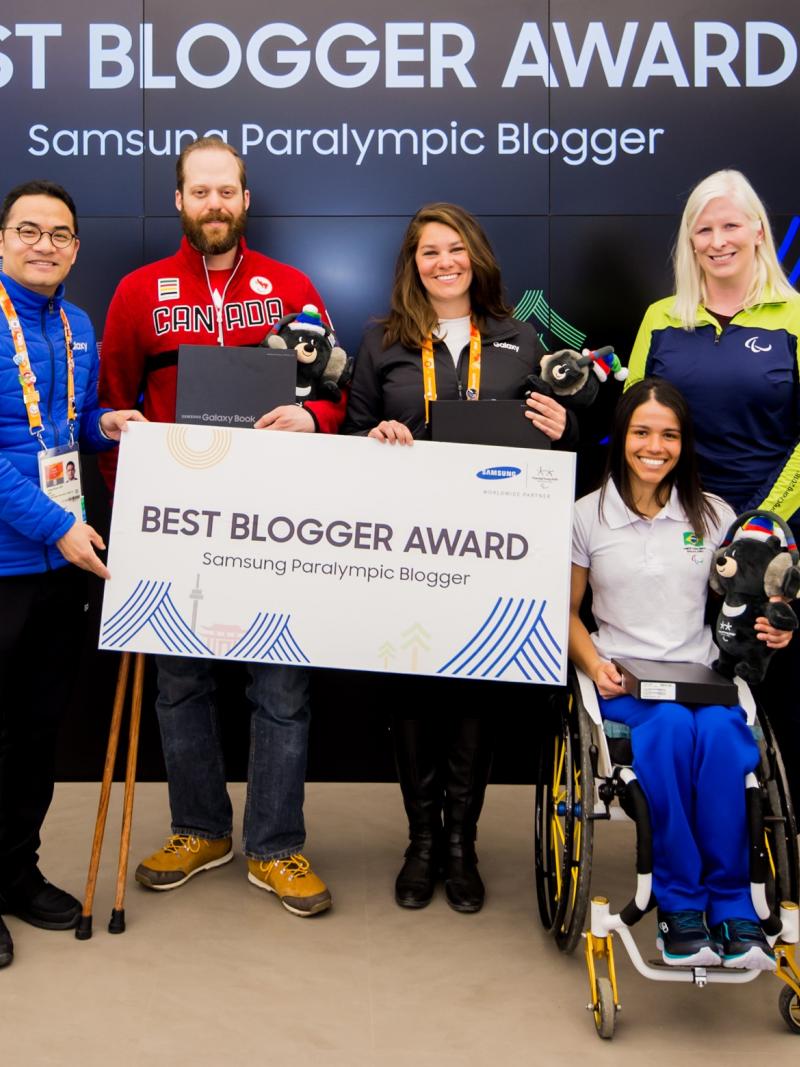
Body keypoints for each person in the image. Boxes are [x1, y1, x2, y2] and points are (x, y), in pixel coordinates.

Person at [98, 137, 345, 917]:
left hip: (277, 522)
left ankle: (275, 845)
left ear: (245, 199)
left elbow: (335, 394)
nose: (213, 203)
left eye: (226, 191)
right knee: (180, 682)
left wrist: (314, 415)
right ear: (179, 201)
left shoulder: (290, 286)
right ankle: (200, 827)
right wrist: (121, 462)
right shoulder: (140, 291)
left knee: (281, 684)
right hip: (173, 522)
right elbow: (107, 406)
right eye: (198, 191)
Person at [343, 202, 574, 912]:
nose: (443, 262)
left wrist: (564, 426)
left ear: (475, 256)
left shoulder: (517, 336)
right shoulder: (381, 339)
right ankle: (419, 843)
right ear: (411, 264)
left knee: (476, 689)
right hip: (406, 545)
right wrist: (375, 435)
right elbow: (348, 442)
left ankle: (459, 846)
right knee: (412, 690)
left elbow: (551, 446)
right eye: (428, 252)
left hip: (493, 547)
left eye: (455, 249)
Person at [570, 376, 792, 970]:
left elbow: (747, 601)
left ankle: (734, 905)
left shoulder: (715, 513)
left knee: (721, 739)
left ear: (683, 443)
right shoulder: (587, 516)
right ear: (621, 438)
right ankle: (680, 904)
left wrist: (774, 627)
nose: (654, 446)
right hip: (624, 680)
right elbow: (565, 612)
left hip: (702, 676)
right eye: (642, 432)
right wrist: (595, 663)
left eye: (669, 435)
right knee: (668, 731)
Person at [0, 180, 143, 968]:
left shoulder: (77, 323)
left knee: (37, 731)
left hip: (64, 565)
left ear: (76, 248)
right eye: (28, 230)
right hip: (15, 557)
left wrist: (105, 423)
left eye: (59, 234)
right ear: (3, 239)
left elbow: (62, 426)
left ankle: (15, 872)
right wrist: (59, 525)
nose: (44, 244)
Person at [626, 168, 800, 808]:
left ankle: (778, 854)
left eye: (731, 224)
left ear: (758, 229)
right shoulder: (663, 318)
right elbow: (635, 421)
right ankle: (699, 837)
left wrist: (762, 525)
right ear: (689, 240)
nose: (719, 240)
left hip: (775, 534)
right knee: (690, 689)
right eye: (704, 228)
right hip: (681, 529)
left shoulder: (795, 317)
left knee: (774, 690)